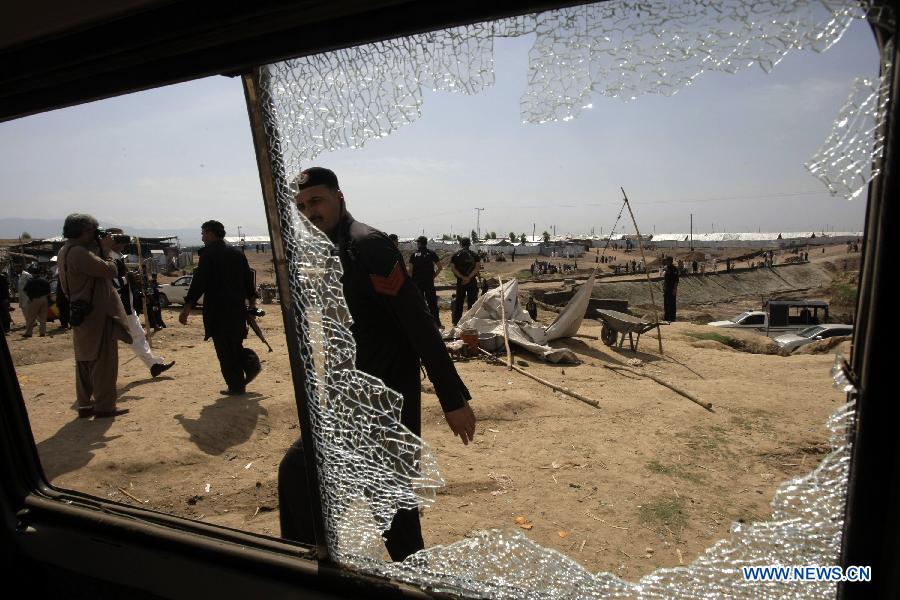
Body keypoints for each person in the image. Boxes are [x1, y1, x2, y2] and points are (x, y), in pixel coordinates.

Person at [280, 167, 475, 561]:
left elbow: (418, 324)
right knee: (301, 477)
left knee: (395, 516)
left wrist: (452, 398)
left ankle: (416, 579)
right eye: (301, 206)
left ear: (339, 197)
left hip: (386, 401)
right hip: (350, 395)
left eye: (316, 200)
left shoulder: (367, 245)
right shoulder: (327, 249)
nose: (309, 212)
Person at [57, 213, 133, 418]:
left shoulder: (66, 250)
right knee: (104, 362)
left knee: (84, 360)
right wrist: (107, 249)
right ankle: (105, 406)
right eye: (94, 231)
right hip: (97, 314)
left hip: (81, 311)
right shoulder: (79, 254)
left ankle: (84, 405)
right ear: (85, 231)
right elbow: (110, 270)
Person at [179, 220, 260, 395]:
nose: (202, 237)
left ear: (211, 234)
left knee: (225, 350)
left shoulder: (208, 256)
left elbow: (199, 283)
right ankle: (247, 369)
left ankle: (238, 383)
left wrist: (187, 307)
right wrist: (252, 304)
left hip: (218, 312)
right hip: (237, 310)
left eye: (203, 233)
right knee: (235, 345)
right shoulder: (237, 254)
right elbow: (248, 280)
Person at [107, 230, 175, 378]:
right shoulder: (109, 259)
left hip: (127, 304)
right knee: (134, 337)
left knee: (137, 336)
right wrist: (128, 278)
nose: (123, 247)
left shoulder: (116, 258)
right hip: (120, 306)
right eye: (120, 242)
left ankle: (153, 364)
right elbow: (111, 282)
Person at [408, 235, 443, 327]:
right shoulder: (431, 253)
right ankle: (437, 323)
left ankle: (421, 324)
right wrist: (433, 277)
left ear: (419, 244)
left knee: (419, 304)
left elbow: (410, 270)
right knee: (432, 303)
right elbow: (440, 267)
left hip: (417, 283)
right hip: (429, 282)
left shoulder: (414, 255)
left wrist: (410, 282)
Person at [450, 237, 481, 325]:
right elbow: (477, 267)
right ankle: (471, 321)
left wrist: (462, 278)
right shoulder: (474, 255)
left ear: (461, 244)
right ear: (469, 244)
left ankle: (456, 322)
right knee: (472, 302)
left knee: (459, 301)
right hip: (472, 281)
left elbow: (453, 268)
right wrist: (469, 278)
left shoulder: (455, 255)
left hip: (461, 282)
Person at [22, 269, 51, 337]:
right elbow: (49, 293)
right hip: (44, 299)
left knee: (31, 317)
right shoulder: (45, 281)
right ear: (40, 274)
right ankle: (42, 332)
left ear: (33, 274)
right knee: (43, 318)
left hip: (34, 299)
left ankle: (29, 333)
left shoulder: (30, 282)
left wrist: (30, 297)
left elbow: (25, 291)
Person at [663, 256, 679, 322]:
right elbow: (665, 279)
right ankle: (666, 318)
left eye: (667, 260)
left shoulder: (674, 269)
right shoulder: (667, 269)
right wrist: (664, 287)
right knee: (666, 304)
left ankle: (672, 319)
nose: (665, 261)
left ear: (670, 261)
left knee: (671, 304)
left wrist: (675, 289)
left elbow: (676, 280)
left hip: (671, 289)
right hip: (666, 289)